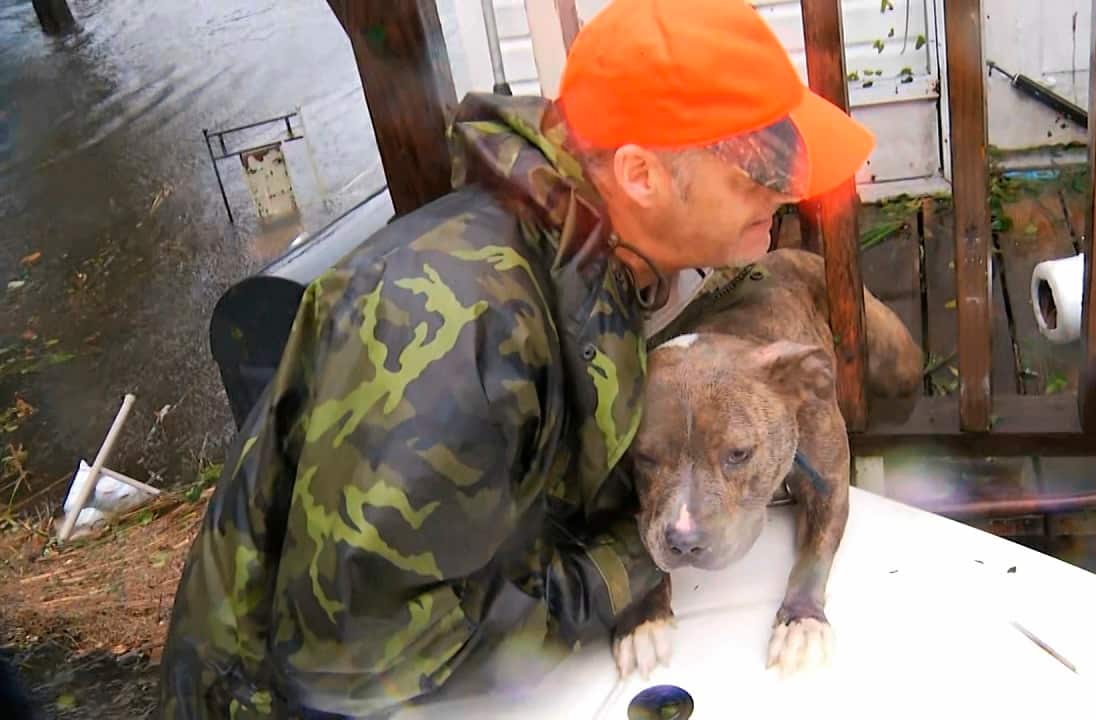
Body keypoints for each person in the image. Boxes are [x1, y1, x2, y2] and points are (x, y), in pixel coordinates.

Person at [157, 0, 875, 716]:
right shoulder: (452, 322)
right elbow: (356, 651)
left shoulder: (583, 264)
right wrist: (625, 567)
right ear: (641, 176)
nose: (790, 190)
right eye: (759, 170)